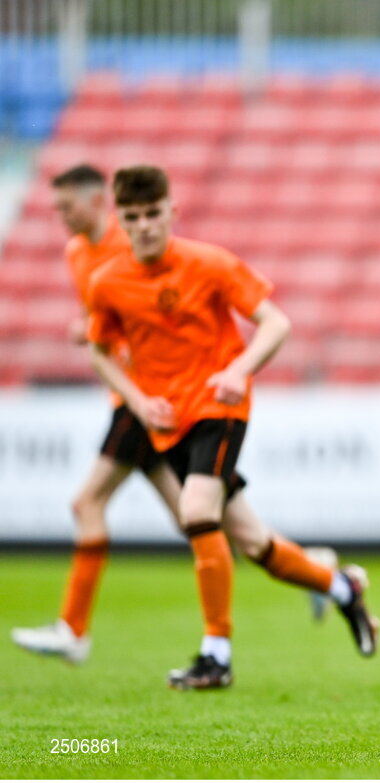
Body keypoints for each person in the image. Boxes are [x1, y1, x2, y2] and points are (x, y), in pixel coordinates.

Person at [86, 165, 379, 689]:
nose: (146, 225)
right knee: (252, 541)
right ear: (120, 221)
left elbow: (276, 322)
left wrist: (238, 370)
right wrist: (136, 399)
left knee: (195, 511)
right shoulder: (107, 282)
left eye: (154, 213)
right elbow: (101, 351)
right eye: (133, 217)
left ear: (172, 211)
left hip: (220, 406)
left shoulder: (210, 263)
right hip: (167, 422)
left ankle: (216, 654)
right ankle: (341, 589)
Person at [11, 164, 181, 664]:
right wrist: (87, 328)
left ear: (94, 202)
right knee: (197, 520)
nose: (60, 217)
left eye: (66, 207)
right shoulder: (75, 252)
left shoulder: (129, 246)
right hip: (127, 396)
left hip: (144, 394)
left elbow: (149, 315)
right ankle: (323, 576)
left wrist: (96, 333)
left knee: (86, 503)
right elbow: (104, 320)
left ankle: (73, 630)